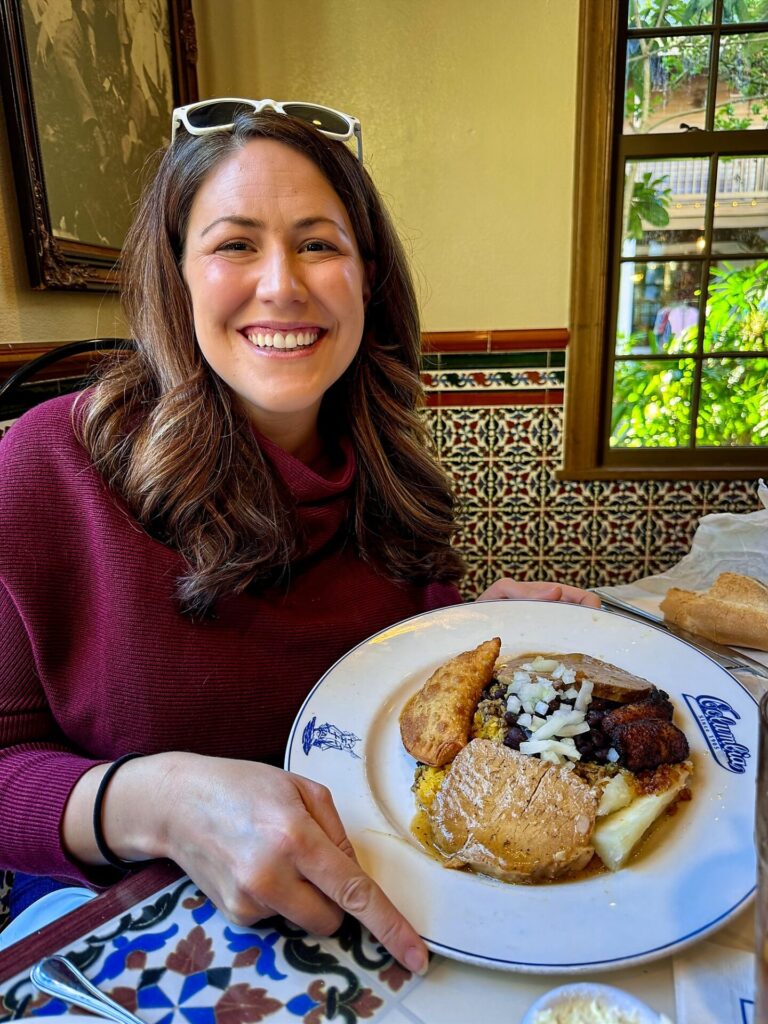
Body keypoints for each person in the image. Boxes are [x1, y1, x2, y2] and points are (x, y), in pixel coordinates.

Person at [0, 100, 599, 968]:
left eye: (319, 243)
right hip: (122, 934)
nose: (282, 283)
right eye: (234, 244)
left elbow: (392, 708)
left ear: (367, 278)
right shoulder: (45, 465)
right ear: (176, 277)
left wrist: (480, 647)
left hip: (367, 920)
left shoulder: (393, 470)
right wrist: (156, 800)